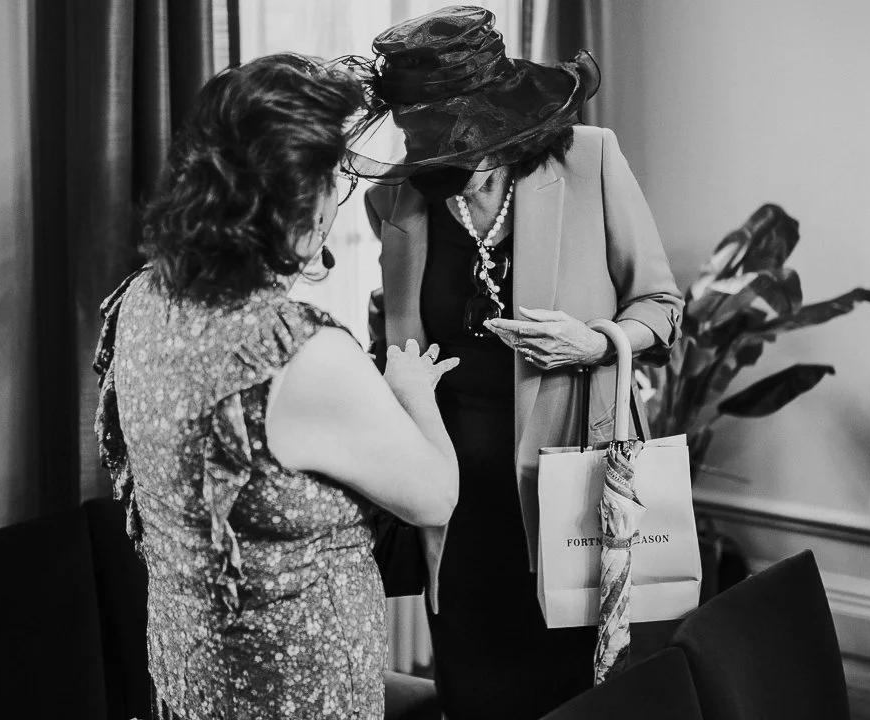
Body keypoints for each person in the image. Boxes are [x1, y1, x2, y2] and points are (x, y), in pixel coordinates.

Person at [93, 53, 459, 720]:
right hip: (299, 696)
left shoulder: (141, 299)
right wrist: (413, 390)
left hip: (194, 682)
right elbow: (435, 497)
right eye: (334, 181)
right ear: (302, 199)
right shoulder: (299, 353)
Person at [353, 7, 685, 719]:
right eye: (423, 139)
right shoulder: (395, 198)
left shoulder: (590, 161)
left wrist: (593, 343)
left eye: (453, 140)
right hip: (450, 500)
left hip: (570, 487)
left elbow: (661, 305)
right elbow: (396, 342)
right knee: (471, 689)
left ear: (498, 120)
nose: (439, 160)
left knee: (568, 692)